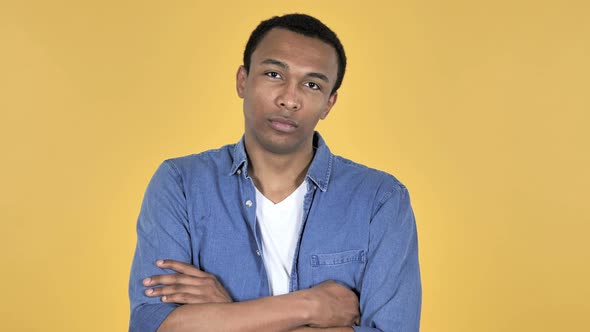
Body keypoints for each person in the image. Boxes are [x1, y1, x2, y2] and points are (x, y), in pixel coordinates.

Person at [129, 13, 421, 332]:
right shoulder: (181, 183)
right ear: (243, 80)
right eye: (273, 74)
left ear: (329, 103)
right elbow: (152, 325)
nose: (289, 99)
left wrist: (225, 313)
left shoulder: (380, 200)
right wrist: (310, 305)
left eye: (311, 84)